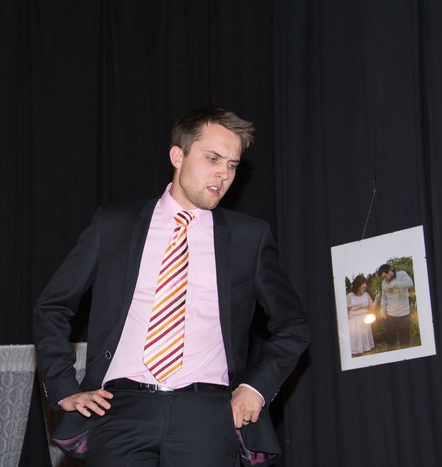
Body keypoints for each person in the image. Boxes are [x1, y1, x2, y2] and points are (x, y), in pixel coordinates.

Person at [33, 107, 309, 466]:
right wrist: (63, 387)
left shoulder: (248, 238)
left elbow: (293, 325)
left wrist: (255, 387)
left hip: (206, 416)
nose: (224, 174)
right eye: (213, 158)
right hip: (119, 411)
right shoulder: (114, 225)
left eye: (233, 165)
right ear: (177, 156)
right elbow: (52, 306)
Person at [375, 263, 414, 349]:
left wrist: (395, 284)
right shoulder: (384, 283)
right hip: (390, 317)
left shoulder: (402, 274)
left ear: (389, 271)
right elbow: (384, 298)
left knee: (405, 342)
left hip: (404, 315)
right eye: (383, 278)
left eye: (385, 276)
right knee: (391, 343)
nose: (384, 279)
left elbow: (410, 283)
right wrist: (382, 311)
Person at [346, 275, 375, 355]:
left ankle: (365, 350)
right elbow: (345, 311)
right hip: (353, 322)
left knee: (365, 344)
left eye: (365, 283)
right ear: (357, 285)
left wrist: (376, 300)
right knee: (356, 339)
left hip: (365, 321)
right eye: (362, 283)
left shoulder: (366, 295)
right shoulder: (349, 296)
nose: (364, 285)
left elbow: (372, 308)